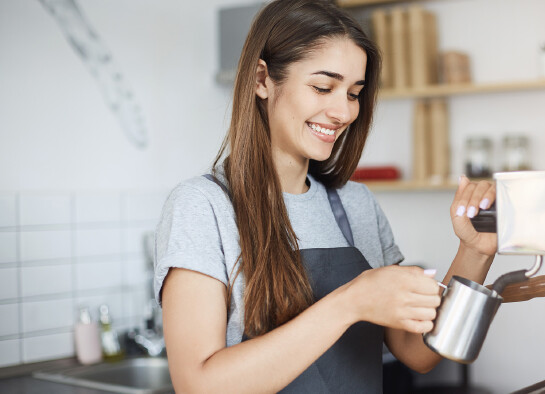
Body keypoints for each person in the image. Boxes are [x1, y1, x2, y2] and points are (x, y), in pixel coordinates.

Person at [154, 0, 496, 392]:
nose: (344, 112)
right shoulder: (202, 206)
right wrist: (350, 302)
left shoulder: (356, 205)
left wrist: (475, 251)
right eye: (323, 87)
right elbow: (199, 386)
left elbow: (416, 352)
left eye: (354, 93)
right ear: (262, 79)